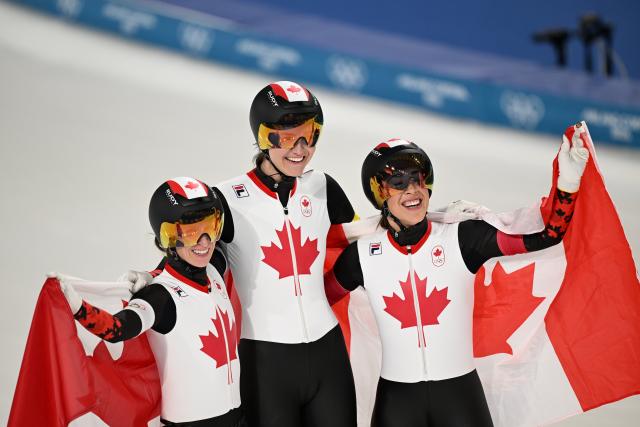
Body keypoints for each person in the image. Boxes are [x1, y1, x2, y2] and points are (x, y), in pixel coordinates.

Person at [128, 81, 358, 426]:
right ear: (264, 137)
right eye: (286, 136)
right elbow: (198, 261)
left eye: (309, 134)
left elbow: (374, 242)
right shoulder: (227, 200)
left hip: (329, 353)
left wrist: (444, 224)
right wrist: (153, 276)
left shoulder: (324, 187)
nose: (300, 148)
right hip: (266, 363)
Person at [325, 136, 589, 427]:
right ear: (380, 194)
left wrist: (568, 180)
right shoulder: (361, 255)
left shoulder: (463, 238)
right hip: (396, 404)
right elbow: (314, 304)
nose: (412, 190)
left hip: (460, 399)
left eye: (417, 179)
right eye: (398, 183)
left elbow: (547, 235)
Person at [58, 177, 244, 427]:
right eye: (190, 232)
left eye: (211, 226)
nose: (205, 242)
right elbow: (118, 329)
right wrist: (78, 307)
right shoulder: (159, 296)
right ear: (166, 236)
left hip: (237, 416)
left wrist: (154, 272)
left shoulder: (214, 268)